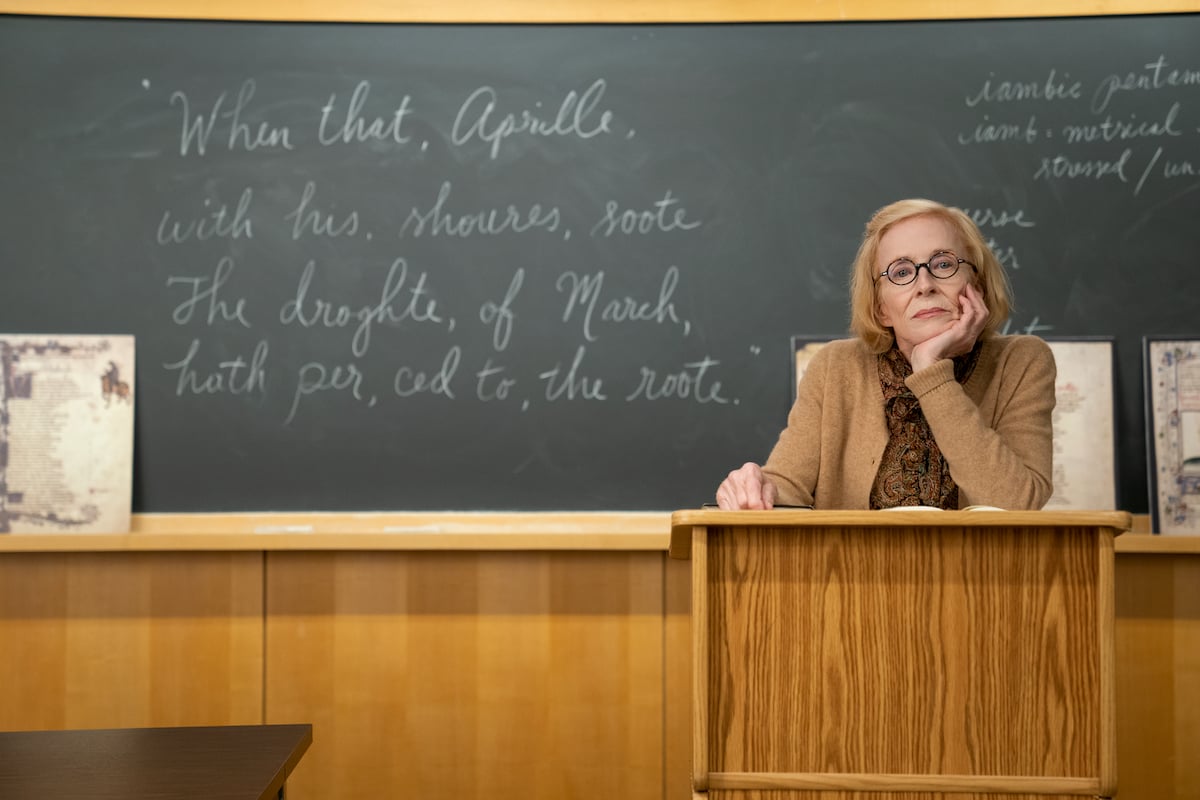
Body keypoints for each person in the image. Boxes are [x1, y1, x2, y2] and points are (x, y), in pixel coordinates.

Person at [715, 198, 1055, 511]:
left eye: (943, 263)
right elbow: (787, 487)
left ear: (977, 286)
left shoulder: (1022, 361)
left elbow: (1017, 504)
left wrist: (931, 372)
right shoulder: (835, 366)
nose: (925, 284)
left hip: (978, 576)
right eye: (902, 272)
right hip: (848, 575)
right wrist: (757, 490)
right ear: (882, 311)